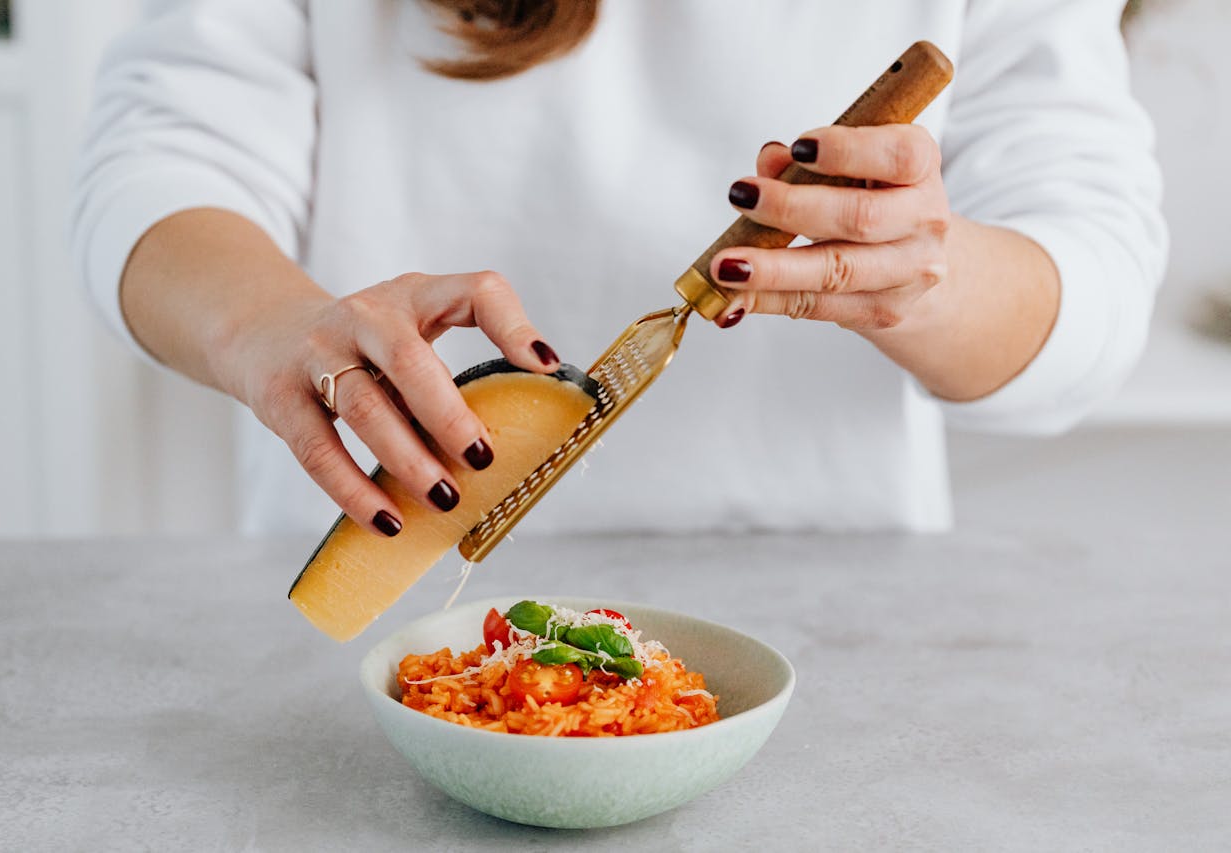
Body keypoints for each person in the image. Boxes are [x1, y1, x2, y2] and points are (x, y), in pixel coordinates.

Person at [70, 0, 1166, 539]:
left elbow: (1092, 278)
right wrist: (268, 324)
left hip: (818, 623)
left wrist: (920, 275)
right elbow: (162, 157)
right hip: (378, 600)